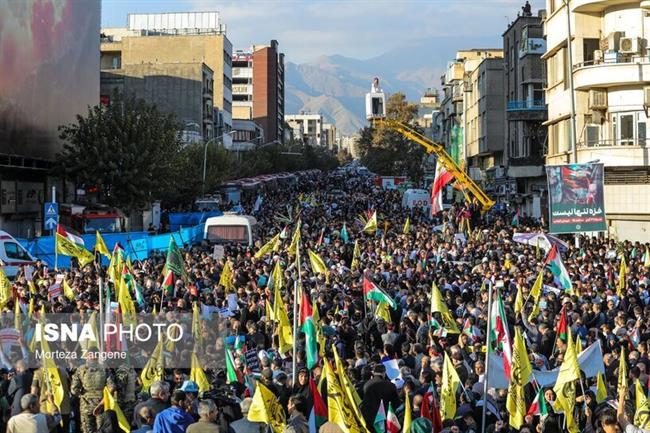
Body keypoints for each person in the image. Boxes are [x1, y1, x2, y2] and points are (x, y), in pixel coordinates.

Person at [71, 358, 112, 433]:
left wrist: (81, 396)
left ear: (87, 356)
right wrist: (102, 402)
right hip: (101, 405)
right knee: (101, 430)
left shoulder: (80, 369)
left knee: (88, 430)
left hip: (85, 405)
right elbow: (111, 388)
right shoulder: (104, 368)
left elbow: (74, 389)